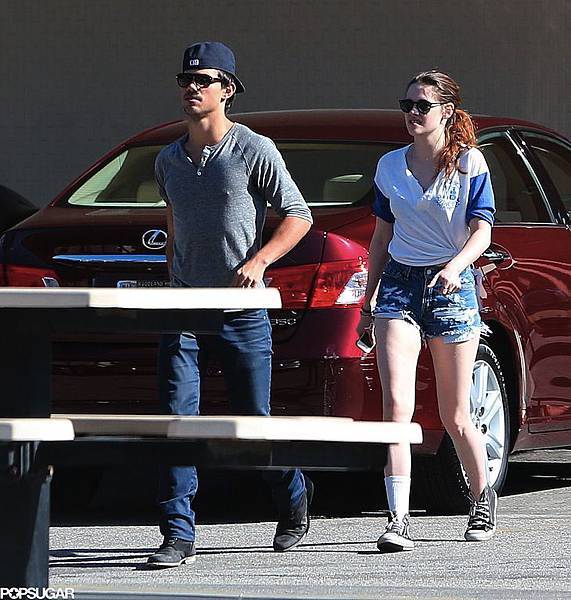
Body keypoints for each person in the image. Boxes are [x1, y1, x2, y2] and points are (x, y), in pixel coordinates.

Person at [147, 41, 314, 568]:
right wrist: (175, 273)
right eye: (185, 80)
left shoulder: (253, 150)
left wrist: (260, 261)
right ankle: (177, 533)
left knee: (251, 423)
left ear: (229, 89)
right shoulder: (168, 159)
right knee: (177, 420)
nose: (192, 88)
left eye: (205, 79)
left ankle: (292, 494)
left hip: (241, 308)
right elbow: (174, 218)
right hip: (183, 309)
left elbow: (298, 215)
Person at [357, 70, 496, 552]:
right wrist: (368, 297)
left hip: (450, 287)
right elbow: (380, 237)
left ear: (447, 113)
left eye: (422, 105)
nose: (412, 113)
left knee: (455, 413)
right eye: (407, 105)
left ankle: (482, 501)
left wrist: (457, 267)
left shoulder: (469, 164)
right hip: (398, 285)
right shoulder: (389, 166)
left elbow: (482, 231)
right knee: (396, 408)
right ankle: (397, 519)